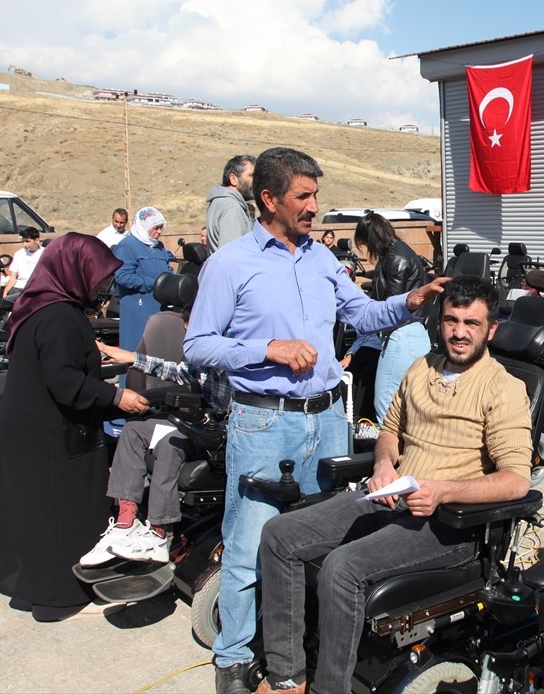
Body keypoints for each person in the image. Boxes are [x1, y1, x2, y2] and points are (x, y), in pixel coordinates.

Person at [182, 146, 447, 694]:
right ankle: (233, 658)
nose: (314, 206)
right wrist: (268, 348)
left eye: (316, 195)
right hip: (264, 424)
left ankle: (301, 643)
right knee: (250, 543)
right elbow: (199, 345)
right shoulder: (230, 263)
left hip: (327, 420)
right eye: (304, 196)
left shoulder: (323, 259)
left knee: (322, 540)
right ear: (268, 198)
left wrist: (408, 302)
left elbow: (361, 314)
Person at [255, 275, 532, 694]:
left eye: (471, 324)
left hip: (447, 525)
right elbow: (389, 430)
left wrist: (444, 490)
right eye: (451, 320)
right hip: (390, 497)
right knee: (279, 534)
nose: (459, 332)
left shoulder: (503, 389)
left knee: (341, 568)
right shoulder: (422, 367)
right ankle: (288, 677)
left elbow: (516, 480)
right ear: (439, 322)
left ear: (491, 329)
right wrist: (384, 463)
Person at [0, 233, 150, 622]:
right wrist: (115, 397)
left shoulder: (43, 307)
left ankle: (33, 585)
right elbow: (65, 383)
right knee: (57, 513)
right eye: (96, 277)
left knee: (35, 513)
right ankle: (56, 595)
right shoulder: (60, 317)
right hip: (50, 437)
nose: (101, 286)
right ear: (74, 272)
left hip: (29, 430)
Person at [80, 337, 233, 566]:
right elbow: (176, 370)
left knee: (171, 441)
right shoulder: (203, 359)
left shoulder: (236, 361)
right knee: (134, 429)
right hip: (203, 423)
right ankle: (126, 522)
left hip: (227, 434)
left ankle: (160, 533)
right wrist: (132, 358)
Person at [354, 212, 433, 420]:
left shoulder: (397, 258)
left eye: (365, 243)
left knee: (387, 411)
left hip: (403, 333)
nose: (366, 249)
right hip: (401, 332)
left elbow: (392, 307)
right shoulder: (392, 254)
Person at [113, 206, 174, 352]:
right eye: (156, 228)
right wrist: (153, 284)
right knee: (138, 352)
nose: (159, 232)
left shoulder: (159, 246)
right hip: (138, 309)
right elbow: (122, 276)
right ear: (144, 226)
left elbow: (166, 268)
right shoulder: (128, 245)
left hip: (160, 308)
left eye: (161, 228)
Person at [206, 155, 256, 252]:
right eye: (252, 176)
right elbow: (230, 255)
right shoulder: (231, 207)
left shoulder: (222, 202)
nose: (256, 181)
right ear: (233, 179)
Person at [2, 227, 44, 301]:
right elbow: (13, 278)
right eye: (23, 241)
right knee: (7, 300)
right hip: (19, 288)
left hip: (35, 289)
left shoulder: (45, 253)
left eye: (28, 241)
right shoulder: (19, 254)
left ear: (37, 240)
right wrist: (5, 293)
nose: (25, 244)